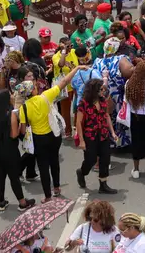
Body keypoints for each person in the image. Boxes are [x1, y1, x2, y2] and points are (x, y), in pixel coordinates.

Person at [18, 62, 86, 202]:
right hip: (53, 135)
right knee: (54, 161)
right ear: (34, 89)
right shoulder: (46, 96)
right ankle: (57, 187)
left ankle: (48, 196)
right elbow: (64, 81)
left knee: (43, 167)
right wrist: (77, 68)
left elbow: (23, 130)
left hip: (38, 139)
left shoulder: (23, 108)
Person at [0, 89, 34, 212]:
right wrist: (21, 124)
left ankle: (1, 202)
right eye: (10, 95)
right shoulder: (11, 114)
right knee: (14, 177)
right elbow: (14, 134)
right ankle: (22, 202)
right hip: (9, 150)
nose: (12, 96)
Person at [75, 77, 119, 195]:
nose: (103, 91)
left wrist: (112, 132)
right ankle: (82, 172)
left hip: (103, 134)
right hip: (90, 136)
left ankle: (103, 185)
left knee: (105, 158)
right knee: (91, 159)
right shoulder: (83, 103)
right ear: (94, 90)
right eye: (101, 89)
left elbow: (106, 116)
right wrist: (82, 141)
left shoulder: (102, 100)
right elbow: (78, 122)